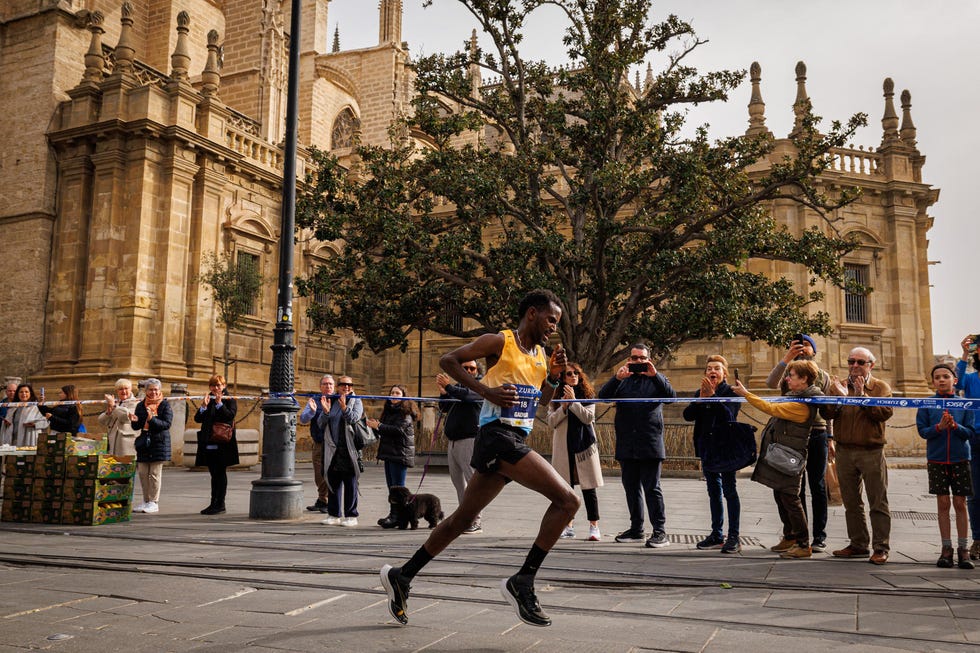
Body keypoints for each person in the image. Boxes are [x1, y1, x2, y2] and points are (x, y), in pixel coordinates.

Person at [380, 289, 577, 628]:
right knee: (568, 501)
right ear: (532, 313)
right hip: (497, 436)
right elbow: (448, 361)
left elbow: (543, 399)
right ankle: (523, 581)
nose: (552, 328)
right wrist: (486, 391)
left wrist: (556, 378)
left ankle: (402, 575)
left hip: (513, 437)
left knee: (461, 520)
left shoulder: (542, 355)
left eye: (556, 323)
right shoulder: (501, 341)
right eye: (550, 320)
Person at [732, 360, 825, 559]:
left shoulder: (802, 404)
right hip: (782, 454)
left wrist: (746, 394)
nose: (787, 378)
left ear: (804, 379)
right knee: (780, 495)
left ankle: (803, 543)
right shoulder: (795, 397)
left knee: (791, 498)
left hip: (790, 457)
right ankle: (790, 536)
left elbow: (770, 408)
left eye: (791, 375)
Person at [597, 343, 677, 548]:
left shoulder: (657, 380)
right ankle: (636, 529)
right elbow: (603, 397)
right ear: (629, 360)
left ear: (649, 359)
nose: (639, 362)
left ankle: (660, 531)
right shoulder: (623, 381)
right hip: (627, 443)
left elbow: (671, 398)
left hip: (650, 442)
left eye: (643, 358)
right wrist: (617, 378)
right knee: (631, 488)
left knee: (652, 489)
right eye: (635, 358)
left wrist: (655, 375)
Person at [825, 347, 894, 565]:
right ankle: (858, 544)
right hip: (844, 450)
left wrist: (862, 395)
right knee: (851, 502)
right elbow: (826, 413)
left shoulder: (880, 387)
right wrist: (836, 397)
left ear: (870, 365)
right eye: (851, 361)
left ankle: (881, 547)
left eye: (860, 362)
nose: (854, 366)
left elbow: (884, 413)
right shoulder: (841, 386)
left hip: (871, 451)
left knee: (878, 501)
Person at [766, 334, 834, 552]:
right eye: (798, 345)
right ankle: (796, 534)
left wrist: (831, 438)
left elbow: (828, 410)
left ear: (814, 351)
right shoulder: (789, 374)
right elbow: (770, 383)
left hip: (818, 434)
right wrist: (787, 358)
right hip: (792, 435)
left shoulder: (823, 376)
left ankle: (819, 536)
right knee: (794, 488)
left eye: (806, 346)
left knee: (818, 485)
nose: (802, 348)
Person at [682, 355, 743, 554]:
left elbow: (729, 415)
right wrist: (700, 400)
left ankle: (733, 535)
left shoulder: (731, 392)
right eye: (709, 369)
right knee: (713, 492)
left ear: (724, 373)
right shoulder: (701, 392)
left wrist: (713, 399)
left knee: (729, 491)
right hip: (707, 448)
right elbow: (687, 415)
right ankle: (717, 534)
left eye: (716, 368)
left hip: (726, 448)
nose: (712, 371)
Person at [917, 363, 976, 569]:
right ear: (932, 381)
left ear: (954, 380)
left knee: (960, 504)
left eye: (945, 376)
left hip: (960, 459)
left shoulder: (965, 404)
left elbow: (969, 432)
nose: (941, 380)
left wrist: (954, 426)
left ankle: (963, 549)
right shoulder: (926, 404)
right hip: (937, 459)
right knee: (943, 504)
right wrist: (939, 427)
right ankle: (946, 549)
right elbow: (923, 431)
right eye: (937, 377)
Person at [547, 361, 604, 542]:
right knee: (566, 490)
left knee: (589, 489)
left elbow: (589, 418)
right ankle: (568, 525)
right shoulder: (555, 397)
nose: (573, 376)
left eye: (576, 374)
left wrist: (573, 402)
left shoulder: (587, 395)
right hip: (564, 449)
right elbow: (551, 422)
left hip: (584, 448)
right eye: (569, 374)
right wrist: (563, 407)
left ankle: (594, 526)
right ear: (563, 378)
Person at [436, 360, 484, 534]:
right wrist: (443, 393)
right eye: (465, 368)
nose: (469, 371)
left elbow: (468, 396)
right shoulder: (456, 387)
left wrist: (448, 387)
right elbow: (445, 407)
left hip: (469, 440)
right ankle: (465, 518)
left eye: (472, 368)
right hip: (453, 441)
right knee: (458, 483)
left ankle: (476, 520)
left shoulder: (480, 385)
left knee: (473, 483)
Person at [369, 384, 419, 528]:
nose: (394, 395)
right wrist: (376, 426)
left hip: (400, 454)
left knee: (399, 489)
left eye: (397, 393)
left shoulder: (405, 413)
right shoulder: (389, 411)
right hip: (390, 453)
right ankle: (394, 516)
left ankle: (400, 517)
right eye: (392, 393)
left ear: (403, 396)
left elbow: (398, 430)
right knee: (392, 488)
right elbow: (386, 431)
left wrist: (378, 426)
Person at [319, 375, 364, 527]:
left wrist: (345, 408)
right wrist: (325, 413)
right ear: (338, 386)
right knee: (333, 482)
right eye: (343, 384)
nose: (346, 387)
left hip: (349, 449)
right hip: (333, 448)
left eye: (349, 385)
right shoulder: (332, 400)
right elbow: (320, 424)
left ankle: (351, 515)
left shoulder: (356, 400)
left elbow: (354, 418)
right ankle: (334, 514)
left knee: (351, 483)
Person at [194, 374, 240, 515]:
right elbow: (198, 419)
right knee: (214, 473)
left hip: (223, 442)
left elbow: (230, 416)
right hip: (209, 440)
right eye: (213, 385)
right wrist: (203, 407)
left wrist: (220, 404)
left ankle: (220, 503)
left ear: (224, 386)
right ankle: (213, 502)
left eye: (219, 385)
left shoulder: (229, 399)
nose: (216, 388)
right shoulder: (209, 398)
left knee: (220, 473)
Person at [129, 378, 172, 514]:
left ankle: (154, 501)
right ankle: (146, 500)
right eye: (151, 389)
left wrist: (152, 420)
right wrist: (134, 420)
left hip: (159, 442)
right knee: (142, 473)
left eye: (156, 389)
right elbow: (137, 426)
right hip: (144, 442)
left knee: (154, 474)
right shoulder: (141, 405)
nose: (153, 392)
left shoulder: (165, 405)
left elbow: (166, 424)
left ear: (160, 390)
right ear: (146, 391)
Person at [955, 334, 980, 560]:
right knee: (975, 493)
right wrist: (964, 354)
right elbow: (957, 383)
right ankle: (978, 539)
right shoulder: (972, 378)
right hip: (977, 438)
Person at [299, 374, 335, 513]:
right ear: (320, 387)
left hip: (334, 444)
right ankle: (322, 499)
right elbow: (303, 419)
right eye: (325, 384)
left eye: (330, 384)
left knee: (331, 472)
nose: (328, 386)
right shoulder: (314, 400)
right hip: (319, 442)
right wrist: (312, 412)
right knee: (319, 473)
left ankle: (329, 500)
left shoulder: (339, 400)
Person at [99, 379, 139, 456]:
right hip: (113, 440)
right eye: (120, 389)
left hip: (127, 442)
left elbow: (125, 417)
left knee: (126, 466)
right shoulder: (116, 402)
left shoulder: (136, 402)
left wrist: (113, 406)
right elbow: (101, 421)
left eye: (126, 388)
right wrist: (108, 412)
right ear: (117, 391)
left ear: (130, 389)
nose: (123, 391)